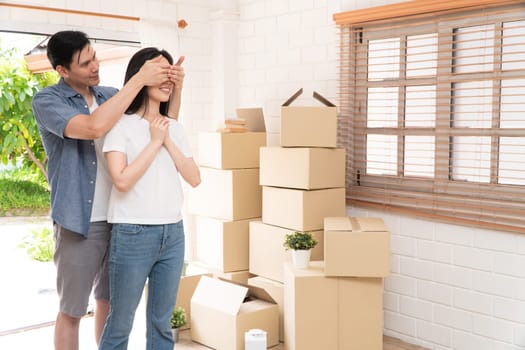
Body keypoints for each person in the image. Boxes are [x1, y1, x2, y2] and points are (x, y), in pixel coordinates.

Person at [31, 30, 184, 350]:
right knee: (72, 310)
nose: (95, 66)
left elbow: (160, 123)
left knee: (109, 304)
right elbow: (92, 128)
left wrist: (173, 83)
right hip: (79, 220)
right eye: (85, 63)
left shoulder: (111, 95)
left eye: (95, 56)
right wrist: (138, 81)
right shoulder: (48, 101)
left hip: (121, 219)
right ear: (62, 70)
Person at [98, 47, 200, 350]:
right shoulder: (120, 125)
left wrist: (166, 137)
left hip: (173, 233)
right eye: (159, 70)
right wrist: (155, 143)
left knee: (161, 324)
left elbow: (194, 178)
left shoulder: (174, 127)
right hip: (133, 233)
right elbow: (122, 180)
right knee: (120, 323)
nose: (166, 77)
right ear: (140, 76)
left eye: (170, 71)